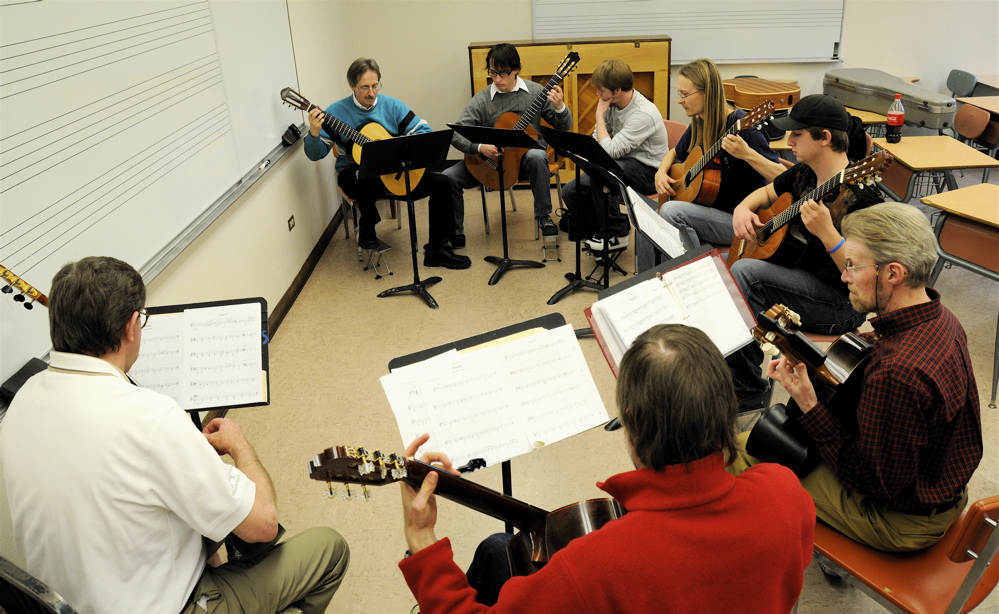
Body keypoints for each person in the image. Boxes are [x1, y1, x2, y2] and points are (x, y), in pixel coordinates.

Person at [0, 257, 350, 613]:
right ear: (131, 327)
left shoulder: (22, 398)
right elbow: (262, 524)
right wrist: (242, 449)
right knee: (329, 548)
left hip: (72, 600)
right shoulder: (151, 416)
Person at [398, 324, 814, 613]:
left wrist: (422, 538)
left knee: (494, 554)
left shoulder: (595, 566)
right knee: (496, 548)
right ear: (727, 408)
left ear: (630, 421)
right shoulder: (784, 493)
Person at [730, 203, 983, 552]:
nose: (843, 277)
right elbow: (883, 346)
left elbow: (873, 481)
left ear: (893, 273)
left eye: (852, 265)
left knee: (741, 454)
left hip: (902, 518)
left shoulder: (897, 373)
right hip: (940, 483)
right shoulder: (940, 316)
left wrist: (808, 403)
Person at [726, 94, 885, 407]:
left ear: (824, 138)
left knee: (745, 275)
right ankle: (732, 366)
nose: (789, 140)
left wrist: (828, 234)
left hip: (841, 302)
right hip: (800, 279)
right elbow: (765, 192)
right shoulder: (805, 173)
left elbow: (866, 279)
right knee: (736, 277)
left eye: (797, 134)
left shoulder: (863, 199)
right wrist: (743, 208)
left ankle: (746, 388)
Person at [304, 58, 470, 269]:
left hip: (394, 172)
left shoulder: (392, 106)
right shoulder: (335, 112)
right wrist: (314, 132)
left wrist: (393, 146)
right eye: (365, 87)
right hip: (355, 174)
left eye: (375, 86)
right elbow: (315, 154)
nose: (371, 93)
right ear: (352, 86)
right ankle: (368, 225)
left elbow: (423, 132)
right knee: (362, 175)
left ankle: (436, 250)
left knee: (443, 183)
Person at [635, 59, 784, 271]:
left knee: (671, 211)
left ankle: (696, 275)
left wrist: (748, 154)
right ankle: (648, 283)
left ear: (707, 94)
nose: (679, 100)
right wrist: (660, 171)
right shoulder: (700, 122)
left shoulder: (745, 128)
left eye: (685, 95)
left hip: (741, 221)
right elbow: (673, 154)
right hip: (707, 209)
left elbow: (784, 177)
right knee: (648, 216)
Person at [444, 43, 573, 247]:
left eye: (503, 73)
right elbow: (455, 133)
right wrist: (479, 147)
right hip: (490, 162)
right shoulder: (482, 100)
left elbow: (563, 127)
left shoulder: (536, 92)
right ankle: (454, 232)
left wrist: (560, 108)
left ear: (516, 70)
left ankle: (543, 216)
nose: (497, 79)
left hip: (525, 161)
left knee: (538, 155)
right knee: (448, 177)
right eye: (493, 73)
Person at [561, 59, 668, 252]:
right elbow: (597, 142)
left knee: (602, 172)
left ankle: (616, 233)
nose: (597, 94)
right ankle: (602, 232)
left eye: (601, 90)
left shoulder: (643, 114)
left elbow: (609, 152)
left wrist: (599, 118)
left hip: (649, 172)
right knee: (570, 191)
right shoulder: (612, 104)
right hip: (621, 165)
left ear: (617, 90)